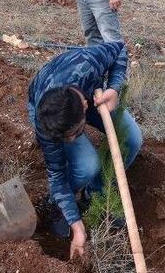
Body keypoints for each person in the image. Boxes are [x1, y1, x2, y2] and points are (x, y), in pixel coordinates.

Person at [27, 41, 142, 260]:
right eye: (65, 137)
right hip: (46, 103)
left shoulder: (88, 63)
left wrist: (114, 88)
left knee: (132, 139)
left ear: (85, 109)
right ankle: (58, 205)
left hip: (87, 93)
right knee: (86, 165)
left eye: (73, 134)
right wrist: (78, 228)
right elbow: (57, 175)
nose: (69, 140)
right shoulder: (48, 125)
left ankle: (94, 195)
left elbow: (120, 49)